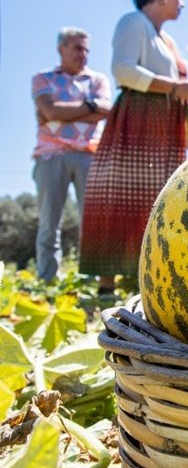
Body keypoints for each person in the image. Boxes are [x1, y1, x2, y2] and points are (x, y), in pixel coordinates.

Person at [79, 0, 188, 293]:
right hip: (137, 121)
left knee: (157, 197)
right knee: (123, 194)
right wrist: (175, 88)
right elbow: (123, 71)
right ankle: (107, 286)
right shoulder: (133, 22)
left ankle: (150, 281)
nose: (182, 2)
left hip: (162, 126)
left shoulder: (166, 39)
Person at [31, 27, 111, 282]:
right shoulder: (42, 78)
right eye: (77, 48)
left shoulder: (97, 80)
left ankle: (90, 283)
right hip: (50, 155)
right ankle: (47, 282)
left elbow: (106, 109)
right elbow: (49, 110)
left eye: (87, 49)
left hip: (89, 155)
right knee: (48, 224)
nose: (83, 54)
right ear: (61, 49)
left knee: (91, 225)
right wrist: (90, 107)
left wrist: (60, 111)